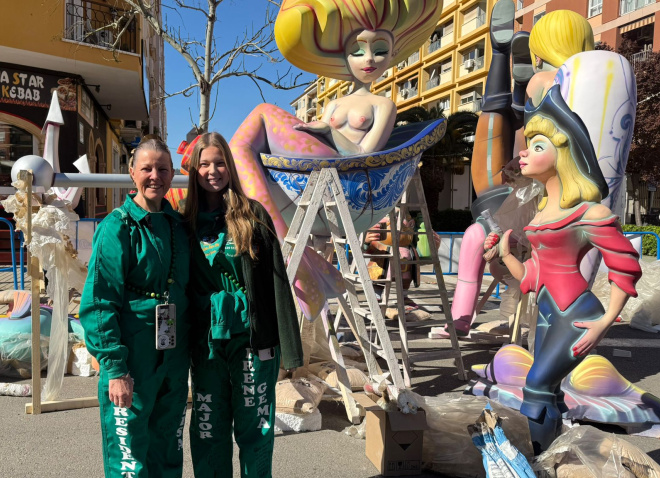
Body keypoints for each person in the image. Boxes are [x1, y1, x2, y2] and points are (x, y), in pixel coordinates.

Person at [483, 85, 642, 454]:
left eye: (538, 146)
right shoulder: (540, 215)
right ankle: (550, 458)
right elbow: (532, 277)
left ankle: (532, 458)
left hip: (578, 316)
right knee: (547, 391)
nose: (523, 152)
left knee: (537, 383)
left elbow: (625, 267)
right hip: (547, 311)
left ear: (562, 155)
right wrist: (505, 255)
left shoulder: (589, 213)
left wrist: (606, 322)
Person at [229, 0, 443, 238]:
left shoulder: (383, 104)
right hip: (319, 165)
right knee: (249, 143)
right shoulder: (334, 103)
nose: (369, 59)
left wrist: (329, 132)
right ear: (345, 56)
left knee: (262, 114)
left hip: (344, 170)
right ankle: (271, 229)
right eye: (358, 51)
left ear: (393, 54)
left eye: (380, 51)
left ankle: (271, 232)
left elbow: (364, 153)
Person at [444, 6, 595, 337]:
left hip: (535, 195)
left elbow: (545, 138)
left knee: (480, 224)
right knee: (509, 151)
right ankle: (505, 64)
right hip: (561, 196)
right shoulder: (591, 84)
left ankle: (501, 58)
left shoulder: (547, 81)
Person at [183, 132, 302, 477]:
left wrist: (289, 350)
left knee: (254, 429)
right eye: (204, 163)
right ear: (194, 170)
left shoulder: (252, 214)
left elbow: (277, 282)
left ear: (230, 167)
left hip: (253, 340)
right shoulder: (183, 221)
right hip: (206, 343)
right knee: (208, 429)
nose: (212, 170)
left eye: (219, 162)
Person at [79, 139, 190, 478]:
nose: (155, 176)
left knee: (168, 448)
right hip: (132, 357)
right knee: (128, 456)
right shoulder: (117, 227)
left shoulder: (178, 225)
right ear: (131, 173)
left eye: (162, 169)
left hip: (172, 357)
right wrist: (114, 368)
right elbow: (99, 301)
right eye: (147, 168)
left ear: (172, 175)